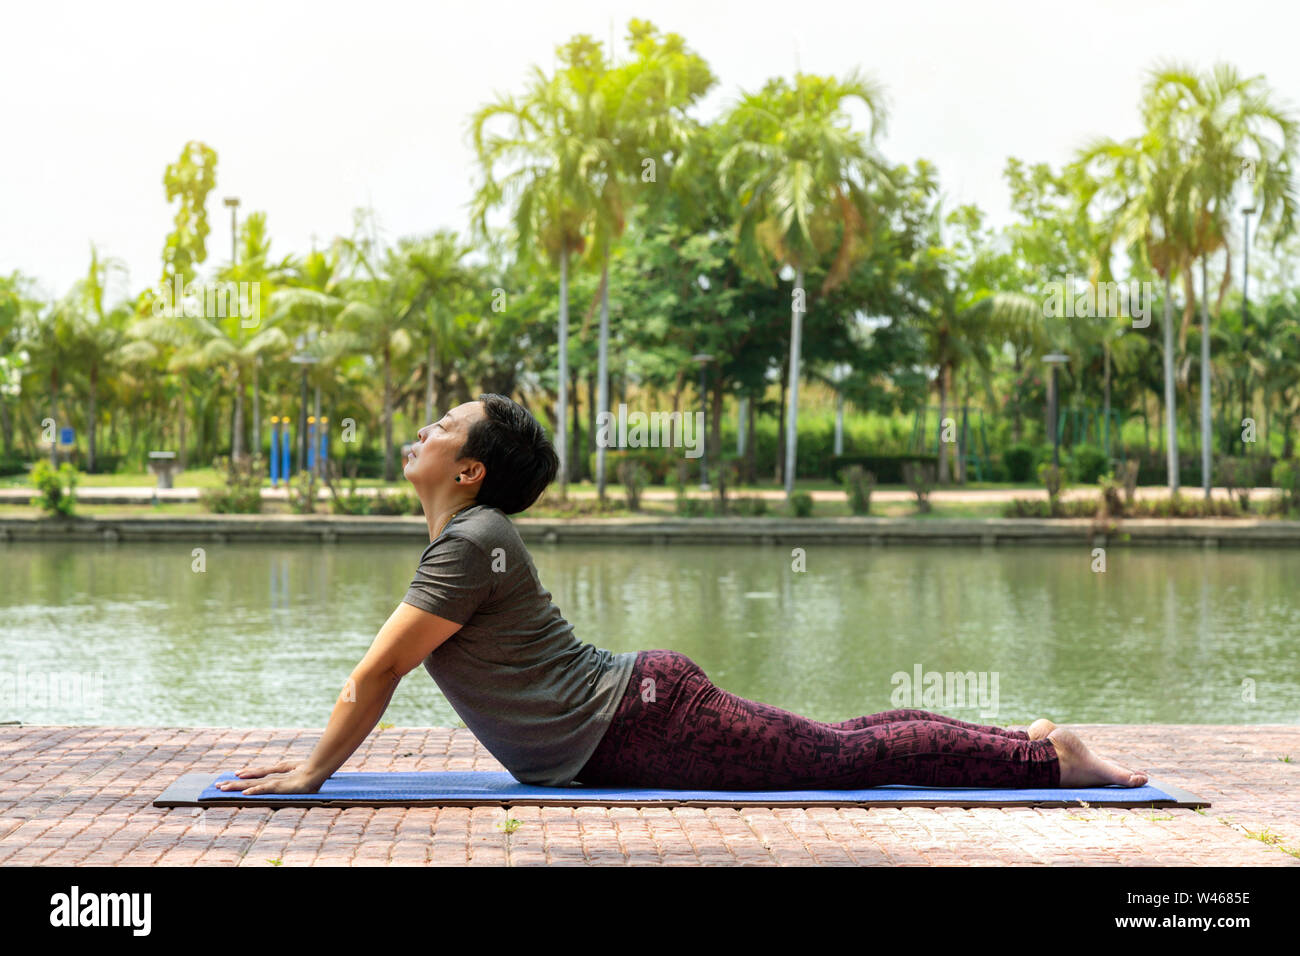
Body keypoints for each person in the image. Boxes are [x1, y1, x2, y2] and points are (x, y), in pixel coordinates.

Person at [218, 394, 1148, 796]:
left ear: (467, 469)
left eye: (442, 424)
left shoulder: (473, 542)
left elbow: (377, 671)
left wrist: (313, 773)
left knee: (835, 760)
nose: (420, 430)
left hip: (637, 720)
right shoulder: (471, 538)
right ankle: (1022, 743)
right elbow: (382, 670)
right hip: (635, 713)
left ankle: (1048, 764)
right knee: (838, 745)